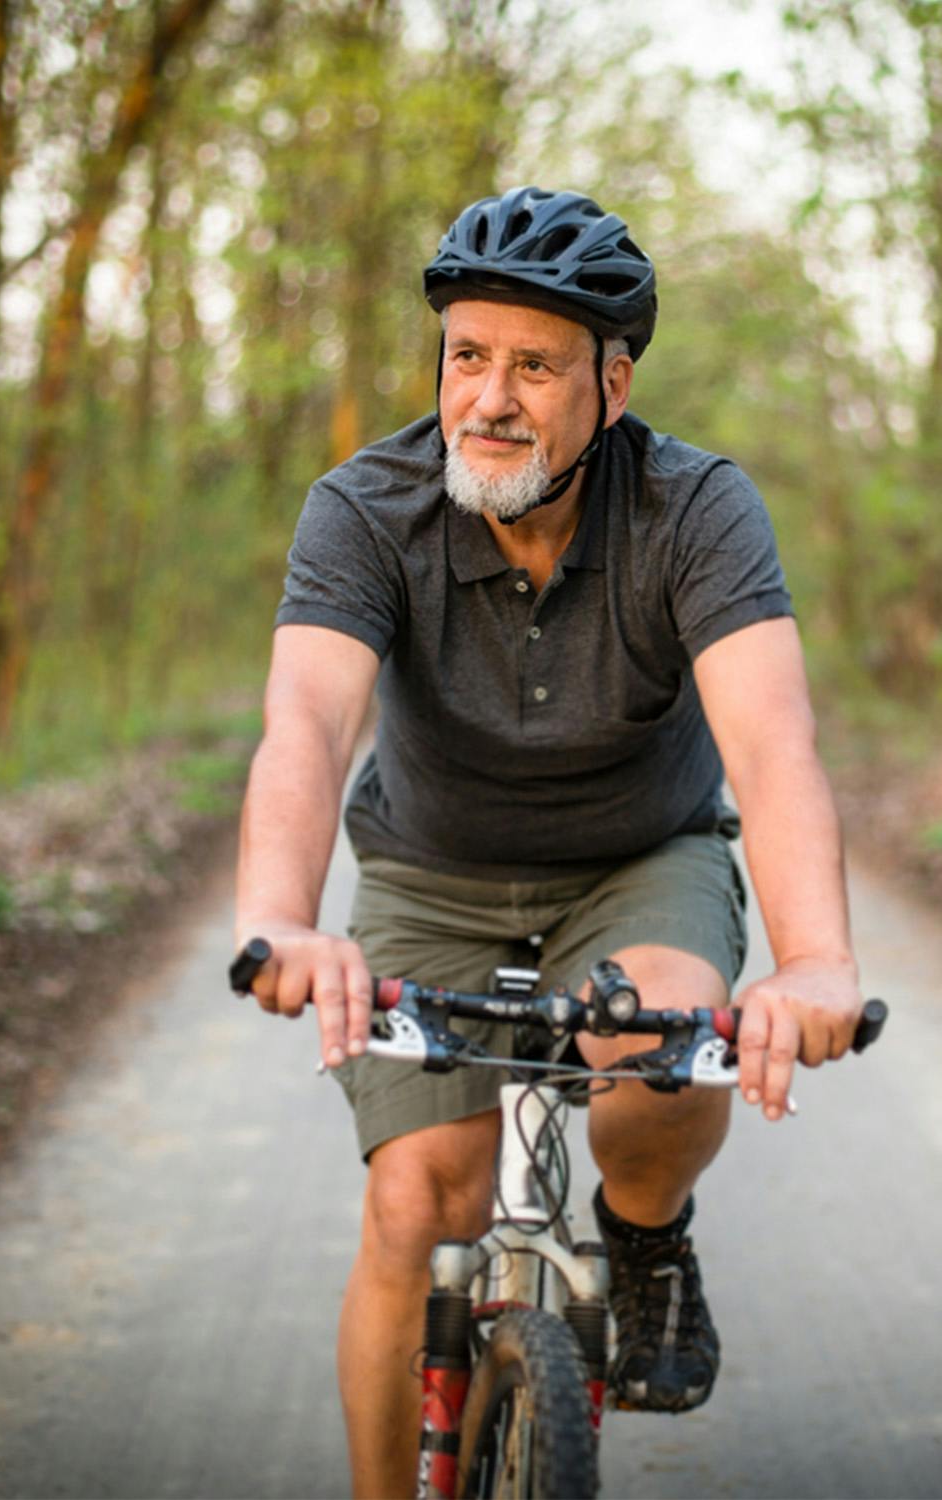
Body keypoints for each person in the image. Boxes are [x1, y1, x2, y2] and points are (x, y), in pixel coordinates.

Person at [234, 185, 863, 1498]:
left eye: (534, 364)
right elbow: (305, 721)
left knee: (651, 1061)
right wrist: (284, 917)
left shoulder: (693, 511)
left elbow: (771, 745)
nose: (489, 398)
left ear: (611, 384)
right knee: (420, 1201)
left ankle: (644, 1238)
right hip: (428, 871)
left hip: (640, 861)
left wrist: (809, 959)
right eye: (468, 355)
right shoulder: (366, 508)